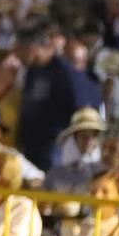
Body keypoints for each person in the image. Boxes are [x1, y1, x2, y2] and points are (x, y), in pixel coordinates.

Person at [18, 25, 98, 172]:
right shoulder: (32, 70)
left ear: (32, 47)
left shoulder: (65, 73)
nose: (18, 55)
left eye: (20, 49)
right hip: (30, 146)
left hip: (53, 150)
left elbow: (83, 110)